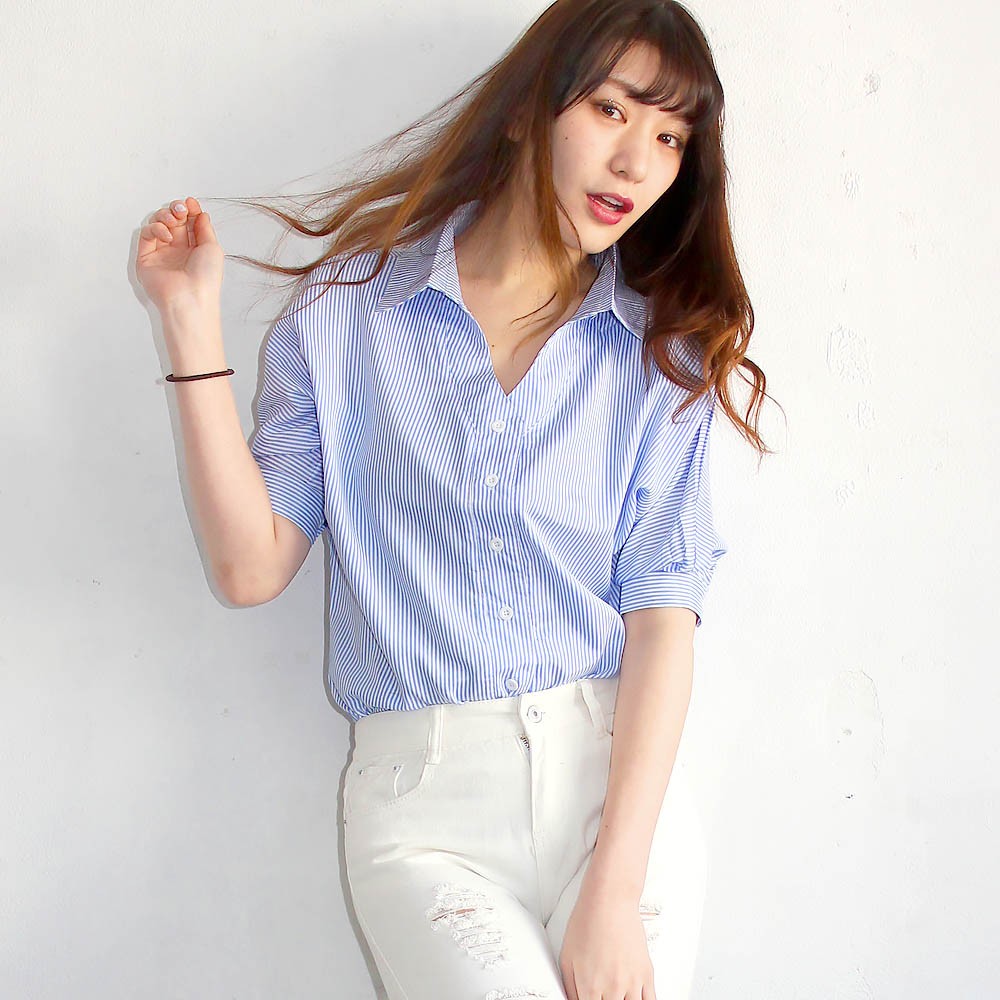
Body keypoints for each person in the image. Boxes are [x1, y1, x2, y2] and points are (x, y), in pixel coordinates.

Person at [135, 1, 772, 997]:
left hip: (613, 805)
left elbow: (662, 621)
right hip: (422, 814)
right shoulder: (347, 316)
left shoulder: (658, 360)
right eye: (610, 110)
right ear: (526, 111)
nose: (635, 162)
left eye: (670, 138)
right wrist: (187, 323)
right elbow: (250, 567)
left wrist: (615, 891)